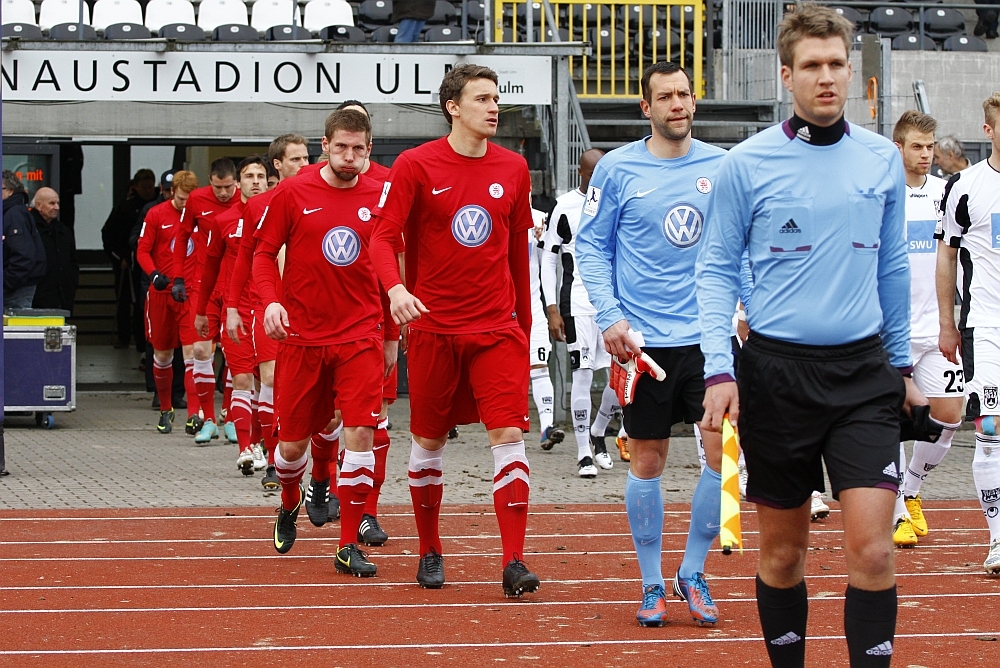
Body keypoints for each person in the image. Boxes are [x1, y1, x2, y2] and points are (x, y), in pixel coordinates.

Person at [696, 6, 927, 666]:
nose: (826, 78)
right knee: (782, 552)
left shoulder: (881, 159)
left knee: (874, 549)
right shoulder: (747, 164)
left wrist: (901, 364)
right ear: (786, 75)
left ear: (850, 71)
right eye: (812, 67)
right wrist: (720, 370)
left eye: (836, 65)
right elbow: (714, 271)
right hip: (776, 375)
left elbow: (889, 266)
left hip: (862, 377)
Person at [369, 64, 541, 598]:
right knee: (427, 442)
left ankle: (514, 560)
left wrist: (525, 328)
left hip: (496, 329)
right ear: (453, 106)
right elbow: (381, 240)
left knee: (509, 437)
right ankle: (430, 550)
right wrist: (396, 290)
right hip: (434, 330)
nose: (495, 108)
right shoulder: (415, 165)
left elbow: (517, 255)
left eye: (498, 99)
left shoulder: (514, 167)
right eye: (484, 99)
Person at [575, 61, 727, 628]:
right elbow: (590, 248)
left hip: (710, 340)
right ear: (647, 108)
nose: (677, 104)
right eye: (665, 97)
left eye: (685, 94)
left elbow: (743, 242)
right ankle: (651, 582)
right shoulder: (616, 170)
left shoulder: (723, 166)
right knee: (649, 458)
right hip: (645, 346)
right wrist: (610, 318)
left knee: (722, 456)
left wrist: (744, 308)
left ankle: (693, 571)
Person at [254, 109, 393, 578]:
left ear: (369, 149)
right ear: (325, 146)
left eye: (358, 149)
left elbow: (393, 266)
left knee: (360, 437)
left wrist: (391, 334)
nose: (349, 156)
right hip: (302, 340)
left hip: (360, 337)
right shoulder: (294, 192)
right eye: (341, 148)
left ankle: (347, 542)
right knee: (291, 448)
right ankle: (289, 501)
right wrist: (271, 302)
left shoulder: (382, 197)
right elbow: (262, 254)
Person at [888, 111, 964, 549]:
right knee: (894, 421)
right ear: (899, 147)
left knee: (949, 416)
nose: (925, 154)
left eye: (930, 146)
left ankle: (912, 488)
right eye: (917, 146)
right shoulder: (882, 195)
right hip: (890, 332)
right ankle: (898, 510)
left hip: (936, 328)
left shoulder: (945, 193)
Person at [937, 90, 1000, 575]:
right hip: (986, 324)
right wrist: (947, 322)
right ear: (988, 129)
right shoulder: (964, 186)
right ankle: (999, 537)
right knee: (991, 431)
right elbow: (947, 256)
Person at [226, 135, 310, 492]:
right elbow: (245, 260)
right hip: (271, 308)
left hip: (318, 310)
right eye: (295, 160)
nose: (304, 165)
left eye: (307, 158)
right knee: (271, 378)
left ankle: (325, 470)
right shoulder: (260, 206)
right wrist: (231, 308)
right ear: (278, 164)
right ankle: (275, 459)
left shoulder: (325, 193)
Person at [541, 149, 628, 479]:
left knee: (620, 380)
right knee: (582, 375)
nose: (598, 181)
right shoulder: (565, 207)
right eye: (593, 175)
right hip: (576, 304)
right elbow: (549, 259)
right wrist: (551, 307)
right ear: (582, 173)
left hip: (612, 304)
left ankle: (598, 430)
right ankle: (583, 453)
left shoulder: (617, 200)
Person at [194, 156, 268, 476]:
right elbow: (210, 269)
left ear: (268, 181)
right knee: (241, 378)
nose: (255, 181)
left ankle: (265, 444)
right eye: (248, 176)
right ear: (239, 183)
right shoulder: (223, 221)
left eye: (260, 176)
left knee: (269, 380)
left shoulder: (279, 215)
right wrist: (201, 312)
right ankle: (245, 449)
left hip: (269, 309)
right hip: (236, 311)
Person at [174, 159, 240, 444]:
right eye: (217, 187)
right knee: (201, 350)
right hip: (206, 285)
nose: (223, 193)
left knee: (235, 355)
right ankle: (207, 418)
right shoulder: (198, 199)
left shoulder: (248, 201)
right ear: (209, 181)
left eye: (227, 187)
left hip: (238, 287)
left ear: (235, 182)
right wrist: (178, 277)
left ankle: (231, 415)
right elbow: (182, 234)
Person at [136, 171, 202, 435]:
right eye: (183, 198)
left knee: (193, 354)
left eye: (191, 198)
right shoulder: (156, 214)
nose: (187, 204)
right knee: (163, 355)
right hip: (162, 294)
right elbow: (141, 249)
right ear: (172, 192)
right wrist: (154, 274)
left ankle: (194, 413)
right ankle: (165, 408)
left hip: (189, 293)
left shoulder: (201, 215)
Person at [102, 168, 157, 350]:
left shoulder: (159, 205)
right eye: (144, 187)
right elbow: (108, 234)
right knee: (126, 303)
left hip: (154, 264)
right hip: (128, 263)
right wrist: (120, 258)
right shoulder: (125, 207)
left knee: (144, 306)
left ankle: (146, 342)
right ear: (136, 187)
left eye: (150, 187)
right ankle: (124, 337)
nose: (148, 191)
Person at [527, 209, 563, 455]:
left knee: (539, 366)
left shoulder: (541, 218)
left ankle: (547, 426)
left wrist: (541, 241)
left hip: (532, 308)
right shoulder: (493, 209)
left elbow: (548, 262)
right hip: (497, 307)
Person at [30, 187, 79, 313]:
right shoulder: (29, 229)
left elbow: (72, 262)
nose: (56, 207)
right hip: (36, 298)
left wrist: (71, 284)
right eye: (52, 203)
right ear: (39, 205)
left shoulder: (63, 231)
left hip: (62, 298)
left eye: (57, 203)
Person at [3, 170, 46, 311]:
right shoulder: (12, 213)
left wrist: (5, 283)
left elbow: (23, 256)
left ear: (10, 191)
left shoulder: (14, 214)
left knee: (14, 330)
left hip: (15, 292)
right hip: (14, 288)